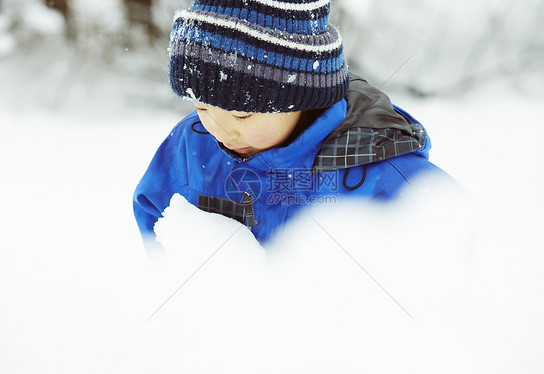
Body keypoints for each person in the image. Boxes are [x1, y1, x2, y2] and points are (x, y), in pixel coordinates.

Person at [133, 0, 455, 256]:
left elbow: (455, 243)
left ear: (302, 97)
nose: (221, 130)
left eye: (242, 115)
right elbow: (153, 210)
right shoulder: (190, 146)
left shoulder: (379, 167)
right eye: (201, 107)